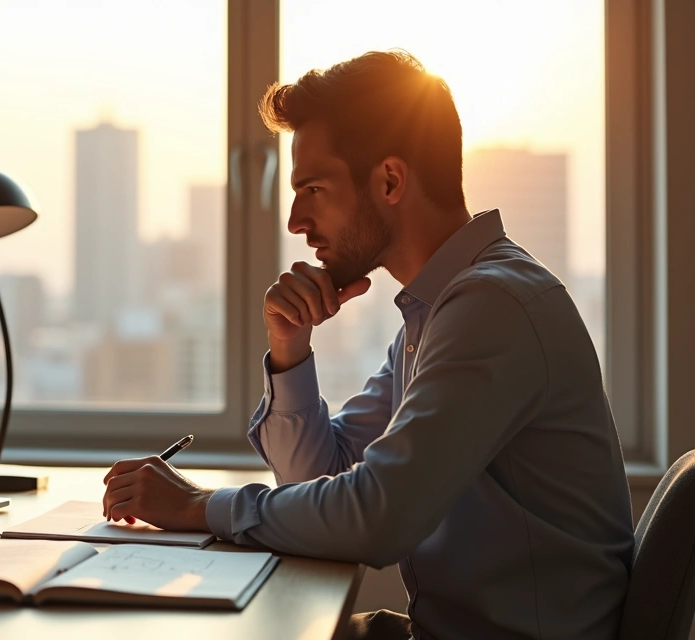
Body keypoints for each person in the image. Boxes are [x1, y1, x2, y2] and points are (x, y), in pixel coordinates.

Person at [101, 51, 634, 640]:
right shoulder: (436, 313)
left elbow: (378, 517)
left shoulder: (493, 306)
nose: (295, 221)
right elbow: (317, 479)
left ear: (389, 181)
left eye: (313, 188)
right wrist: (289, 349)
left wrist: (196, 506)